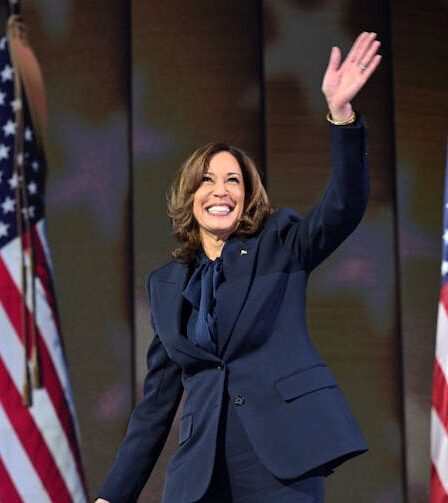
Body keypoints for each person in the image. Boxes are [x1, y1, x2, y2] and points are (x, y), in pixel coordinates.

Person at [96, 31, 382, 503]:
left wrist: (342, 115)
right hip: (200, 473)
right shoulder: (167, 285)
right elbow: (157, 405)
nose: (221, 190)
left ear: (247, 197)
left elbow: (344, 206)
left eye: (234, 180)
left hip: (280, 460)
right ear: (190, 197)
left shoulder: (280, 244)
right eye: (207, 180)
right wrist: (112, 496)